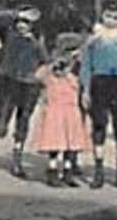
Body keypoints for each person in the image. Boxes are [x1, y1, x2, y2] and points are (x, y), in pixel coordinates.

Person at [79, 0, 117, 189]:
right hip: (99, 83)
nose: (111, 20)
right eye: (107, 16)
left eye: (115, 17)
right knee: (99, 126)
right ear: (102, 15)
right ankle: (99, 172)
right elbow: (86, 66)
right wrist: (86, 90)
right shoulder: (94, 39)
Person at [0, 4, 47, 178]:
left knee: (23, 120)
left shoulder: (36, 44)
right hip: (8, 82)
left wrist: (38, 79)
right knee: (1, 117)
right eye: (19, 21)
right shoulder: (9, 36)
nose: (21, 25)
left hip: (28, 86)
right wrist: (16, 12)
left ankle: (17, 158)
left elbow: (44, 64)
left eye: (26, 22)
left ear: (33, 25)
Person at [33, 32, 89, 188]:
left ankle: (68, 172)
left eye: (76, 51)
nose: (72, 55)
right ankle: (51, 171)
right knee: (55, 143)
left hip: (71, 112)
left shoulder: (77, 71)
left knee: (70, 144)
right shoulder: (51, 72)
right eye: (69, 51)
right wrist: (54, 66)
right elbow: (38, 76)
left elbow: (83, 82)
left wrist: (72, 69)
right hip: (55, 111)